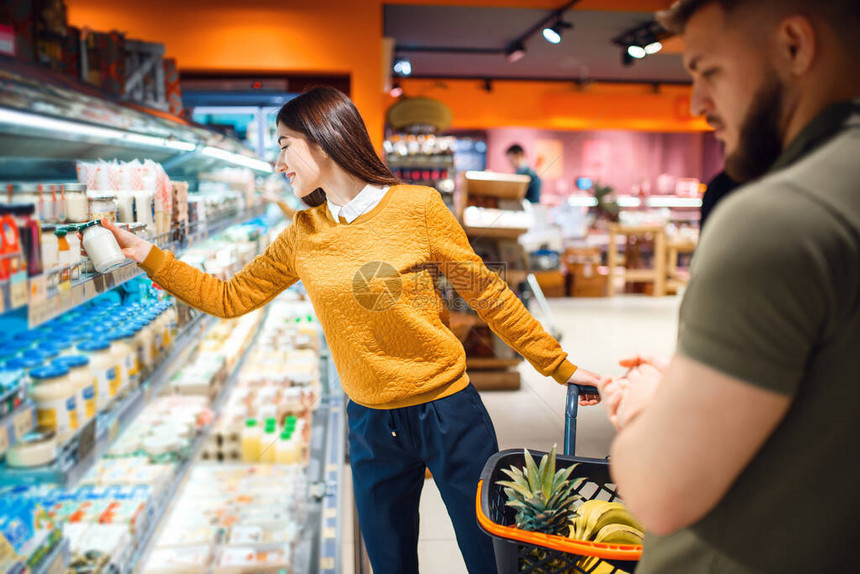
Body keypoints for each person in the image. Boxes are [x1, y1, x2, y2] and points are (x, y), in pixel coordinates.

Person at [95, 87, 602, 574]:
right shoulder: (303, 234)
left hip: (448, 410)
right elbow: (228, 298)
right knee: (390, 562)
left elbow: (488, 293)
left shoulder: (418, 208)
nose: (278, 162)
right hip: (370, 424)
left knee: (489, 556)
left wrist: (560, 367)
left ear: (321, 140)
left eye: (284, 145)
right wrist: (147, 255)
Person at [591, 0, 860, 572]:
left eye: (708, 72)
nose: (697, 105)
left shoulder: (778, 219)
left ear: (795, 46)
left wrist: (644, 410)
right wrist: (693, 391)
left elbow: (660, 492)